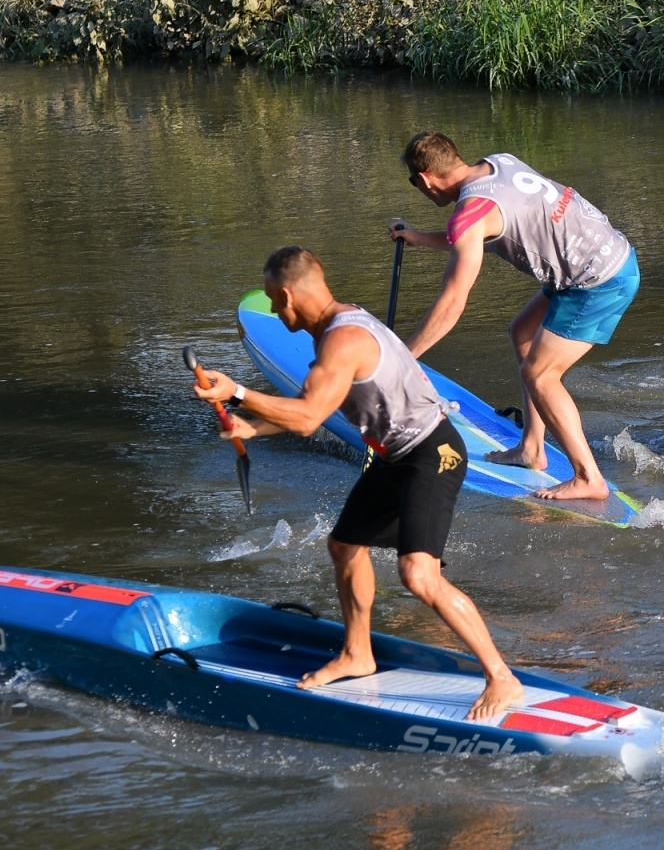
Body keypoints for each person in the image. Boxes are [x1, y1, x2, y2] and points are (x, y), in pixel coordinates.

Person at [192, 246, 522, 721]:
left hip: (432, 453)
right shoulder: (338, 324)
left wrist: (238, 393)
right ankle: (357, 653)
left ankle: (501, 676)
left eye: (272, 300)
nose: (273, 309)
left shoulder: (341, 341)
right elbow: (317, 403)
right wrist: (252, 427)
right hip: (395, 456)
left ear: (287, 295)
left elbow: (307, 419)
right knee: (345, 546)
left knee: (418, 575)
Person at [392, 132, 638, 501]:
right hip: (609, 254)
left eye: (415, 183)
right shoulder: (499, 162)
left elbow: (452, 304)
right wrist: (421, 237)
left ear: (425, 178)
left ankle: (589, 478)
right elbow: (473, 232)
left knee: (539, 374)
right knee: (523, 332)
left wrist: (401, 359)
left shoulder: (469, 216)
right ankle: (531, 449)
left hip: (597, 281)